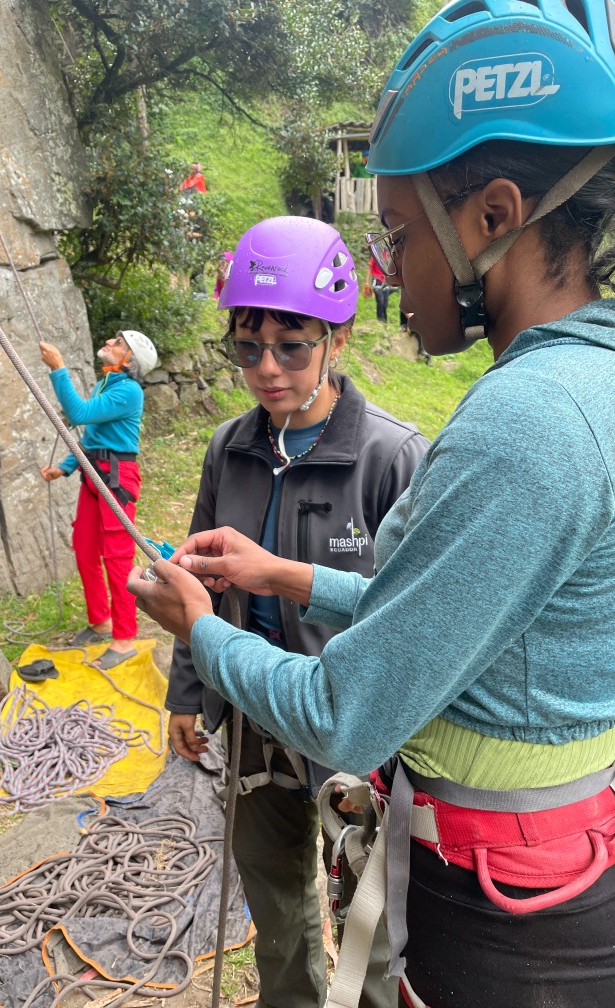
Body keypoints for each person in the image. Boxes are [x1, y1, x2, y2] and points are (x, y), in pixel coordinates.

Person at [129, 2, 615, 1006]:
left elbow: (346, 712)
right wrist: (289, 578)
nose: (390, 270)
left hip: (500, 916)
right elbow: (453, 609)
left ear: (492, 215)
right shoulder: (588, 384)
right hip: (539, 868)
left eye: (397, 233)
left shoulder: (524, 423)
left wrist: (201, 631)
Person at [165, 215, 428, 1008]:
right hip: (251, 722)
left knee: (372, 930)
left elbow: (411, 619)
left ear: (337, 340)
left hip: (354, 740)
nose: (267, 370)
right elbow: (201, 581)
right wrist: (188, 693)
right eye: (248, 348)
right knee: (276, 915)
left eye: (292, 345)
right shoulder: (229, 448)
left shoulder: (391, 456)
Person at [39, 330, 158, 656]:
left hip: (117, 480)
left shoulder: (130, 392)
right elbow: (90, 439)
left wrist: (58, 368)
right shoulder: (106, 384)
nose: (108, 342)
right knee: (85, 548)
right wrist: (64, 467)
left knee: (117, 558)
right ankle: (100, 621)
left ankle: (124, 639)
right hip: (94, 476)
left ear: (129, 359)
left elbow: (77, 415)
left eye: (117, 343)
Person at [365, 255, 392, 323]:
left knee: (385, 303)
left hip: (385, 281)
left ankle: (385, 321)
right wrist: (367, 282)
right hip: (377, 281)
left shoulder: (386, 255)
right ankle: (380, 319)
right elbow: (370, 267)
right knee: (380, 301)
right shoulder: (375, 255)